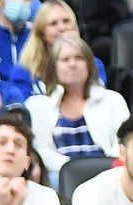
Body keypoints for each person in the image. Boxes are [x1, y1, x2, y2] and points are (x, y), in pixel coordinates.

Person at [22, 36, 125, 178]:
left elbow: (122, 143)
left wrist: (102, 169)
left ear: (89, 65)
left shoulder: (113, 100)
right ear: (54, 67)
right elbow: (42, 151)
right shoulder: (37, 105)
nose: (72, 64)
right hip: (61, 176)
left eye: (79, 58)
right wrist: (76, 171)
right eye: (65, 60)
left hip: (107, 173)